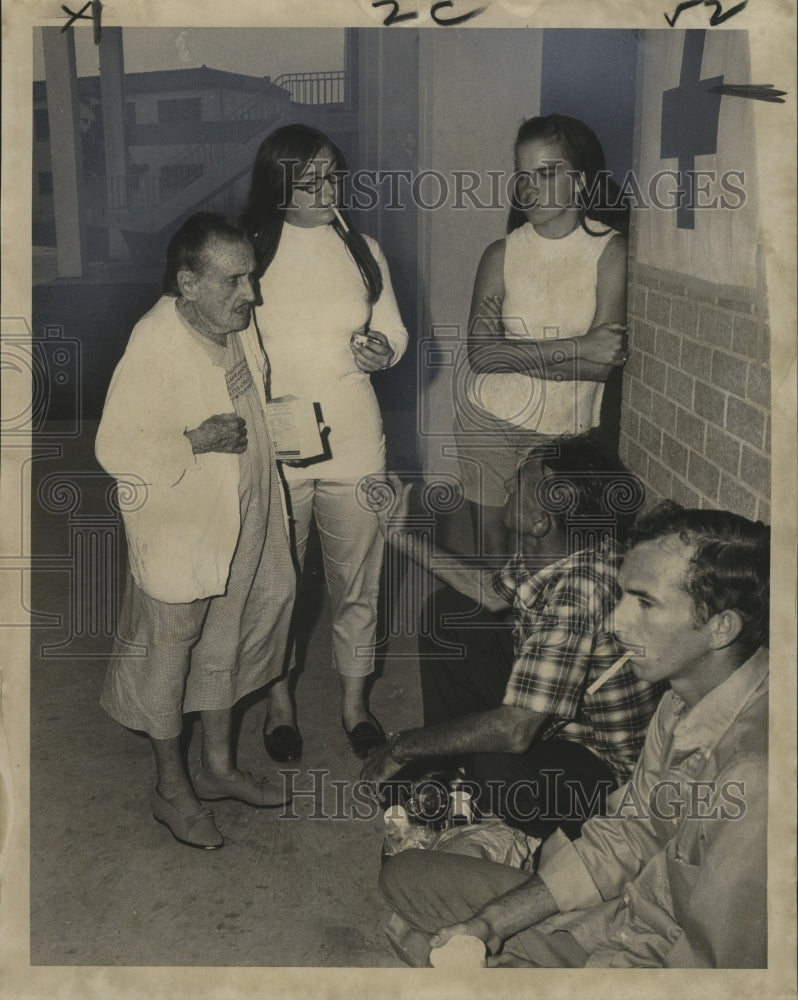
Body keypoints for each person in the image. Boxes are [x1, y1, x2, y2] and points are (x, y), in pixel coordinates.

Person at [379, 502, 770, 968]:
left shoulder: (755, 777)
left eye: (645, 603)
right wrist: (493, 923)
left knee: (428, 946)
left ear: (721, 627)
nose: (615, 622)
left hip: (643, 961)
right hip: (612, 917)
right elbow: (625, 836)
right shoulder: (679, 698)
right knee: (405, 879)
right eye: (623, 596)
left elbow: (709, 969)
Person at [96, 213, 296, 850]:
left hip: (247, 508)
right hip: (182, 525)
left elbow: (256, 396)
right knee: (171, 655)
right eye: (235, 280)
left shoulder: (234, 320)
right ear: (188, 283)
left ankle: (217, 770)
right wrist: (195, 439)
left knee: (228, 639)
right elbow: (115, 446)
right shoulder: (153, 340)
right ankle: (170, 789)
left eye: (252, 277)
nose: (251, 294)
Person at [361, 436, 665, 840]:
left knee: (498, 765)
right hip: (557, 720)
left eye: (519, 480)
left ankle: (486, 798)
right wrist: (401, 538)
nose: (507, 485)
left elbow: (516, 730)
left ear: (541, 521)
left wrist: (403, 747)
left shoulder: (580, 591)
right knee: (450, 613)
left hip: (601, 773)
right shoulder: (565, 544)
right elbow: (489, 592)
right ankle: (449, 772)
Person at [239, 124, 409, 762]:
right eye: (309, 181)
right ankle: (279, 702)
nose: (327, 190)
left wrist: (379, 351)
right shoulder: (252, 247)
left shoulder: (363, 250)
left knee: (357, 579)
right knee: (278, 582)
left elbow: (392, 332)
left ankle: (354, 702)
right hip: (278, 441)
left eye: (333, 175)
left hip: (356, 436)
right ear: (277, 186)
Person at [456, 113, 630, 556]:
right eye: (522, 174)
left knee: (549, 555)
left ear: (581, 179)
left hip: (561, 436)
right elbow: (480, 356)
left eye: (546, 172)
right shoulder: (500, 254)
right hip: (487, 420)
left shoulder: (611, 252)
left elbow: (603, 364)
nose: (529, 187)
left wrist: (513, 353)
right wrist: (577, 348)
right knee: (493, 553)